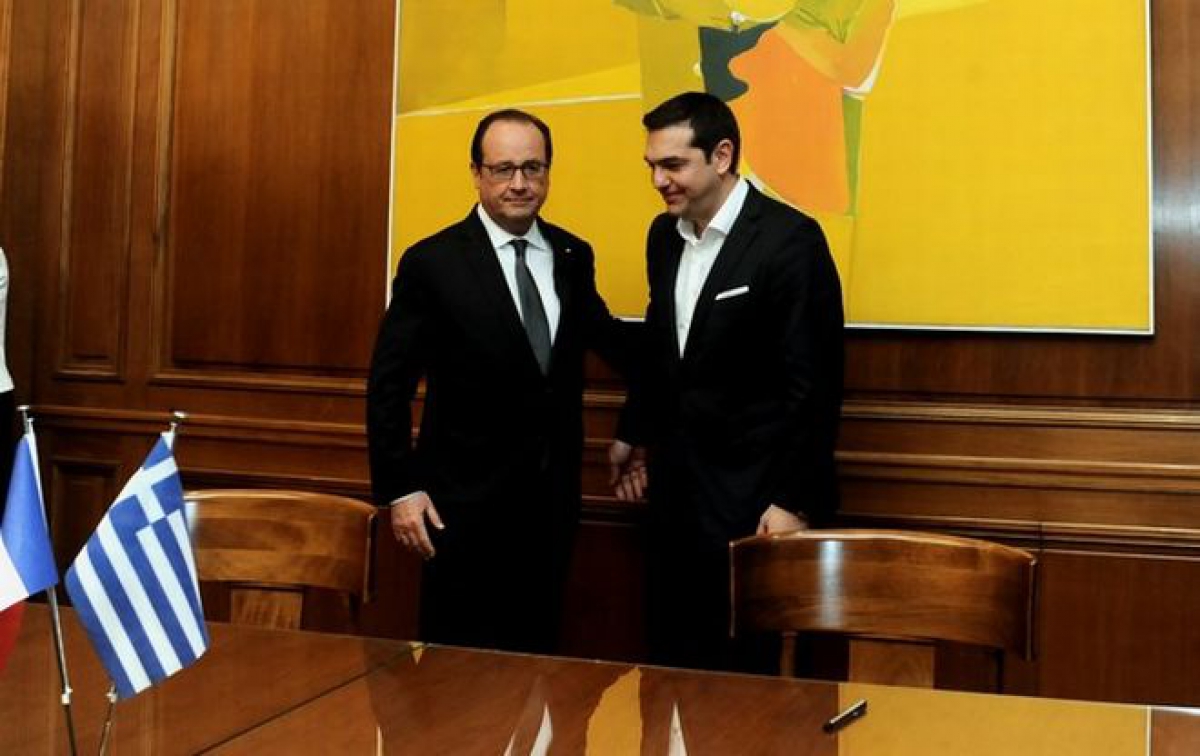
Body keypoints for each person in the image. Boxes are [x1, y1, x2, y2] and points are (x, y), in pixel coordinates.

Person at [368, 110, 631, 654]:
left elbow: (611, 343)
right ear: (476, 173)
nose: (519, 183)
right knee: (458, 673)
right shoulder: (432, 262)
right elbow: (389, 386)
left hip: (550, 509)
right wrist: (401, 489)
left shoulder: (572, 255)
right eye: (503, 169)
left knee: (538, 665)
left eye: (533, 168)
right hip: (460, 510)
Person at [610, 92, 844, 672]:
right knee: (669, 669)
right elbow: (663, 346)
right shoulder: (663, 236)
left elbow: (813, 388)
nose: (659, 181)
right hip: (674, 501)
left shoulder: (790, 240)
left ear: (721, 156)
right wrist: (633, 433)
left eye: (673, 165)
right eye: (652, 166)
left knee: (744, 680)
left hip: (754, 505)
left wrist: (791, 502)